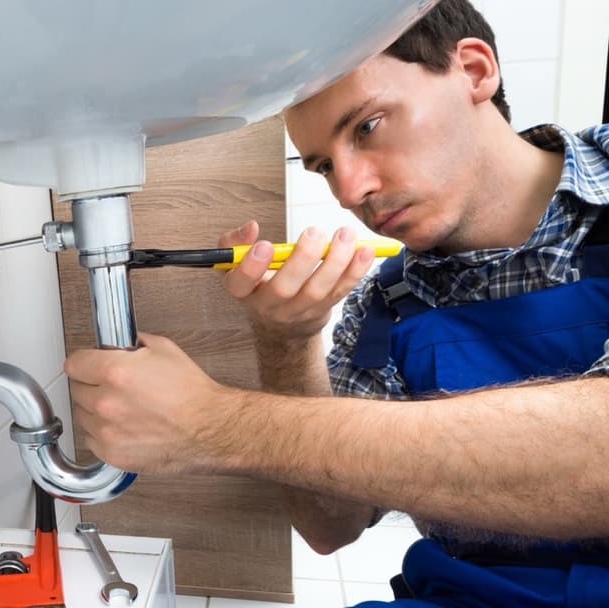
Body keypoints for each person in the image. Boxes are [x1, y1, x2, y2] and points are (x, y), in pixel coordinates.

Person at [64, 0, 609, 605]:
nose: (350, 190)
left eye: (368, 126)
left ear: (475, 71)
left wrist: (211, 424)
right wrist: (287, 340)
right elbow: (331, 526)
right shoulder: (383, 308)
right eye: (323, 165)